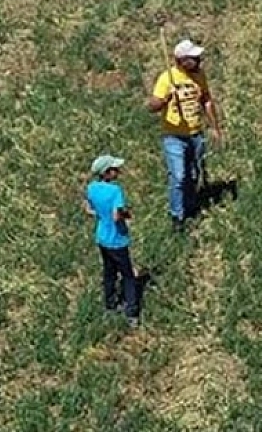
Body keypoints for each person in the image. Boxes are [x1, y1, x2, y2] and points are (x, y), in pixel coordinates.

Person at [147, 38, 222, 231]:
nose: (199, 60)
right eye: (194, 58)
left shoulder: (199, 76)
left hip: (196, 133)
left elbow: (206, 100)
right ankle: (177, 216)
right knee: (179, 176)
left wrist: (214, 127)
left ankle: (190, 207)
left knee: (193, 173)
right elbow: (152, 106)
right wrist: (166, 99)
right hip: (174, 136)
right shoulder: (167, 78)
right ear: (182, 60)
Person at [83, 154, 141, 327]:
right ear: (107, 173)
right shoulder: (115, 191)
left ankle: (110, 305)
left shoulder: (92, 187)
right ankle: (132, 313)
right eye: (115, 169)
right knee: (128, 276)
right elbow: (116, 216)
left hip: (102, 237)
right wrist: (126, 214)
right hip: (117, 239)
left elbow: (88, 209)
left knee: (109, 272)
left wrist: (102, 214)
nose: (118, 171)